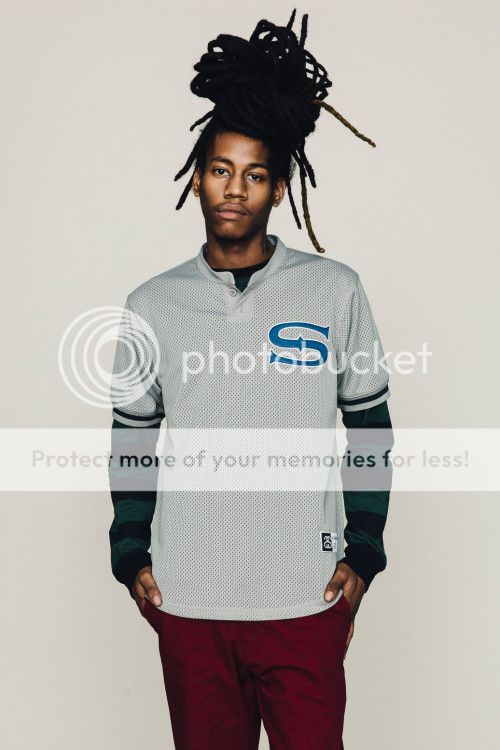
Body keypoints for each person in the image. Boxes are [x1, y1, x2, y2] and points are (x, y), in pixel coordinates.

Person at [108, 10, 393, 749]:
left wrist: (363, 548)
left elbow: (370, 430)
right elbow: (132, 440)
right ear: (198, 178)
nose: (235, 189)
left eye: (255, 174)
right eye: (221, 170)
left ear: (278, 187)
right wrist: (130, 551)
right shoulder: (151, 305)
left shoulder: (333, 291)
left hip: (303, 598)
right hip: (191, 603)